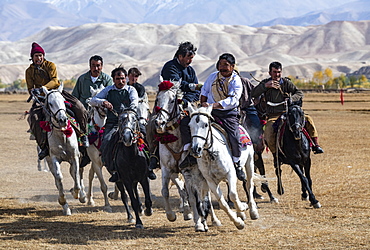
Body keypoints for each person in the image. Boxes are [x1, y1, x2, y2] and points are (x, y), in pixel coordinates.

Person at [90, 66, 156, 182]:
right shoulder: (108, 90)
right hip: (113, 123)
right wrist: (103, 102)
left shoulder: (131, 90)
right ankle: (114, 169)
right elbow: (92, 100)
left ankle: (150, 165)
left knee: (147, 136)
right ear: (113, 79)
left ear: (126, 78)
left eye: (122, 78)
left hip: (130, 122)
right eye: (117, 79)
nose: (120, 81)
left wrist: (129, 113)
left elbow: (134, 102)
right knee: (105, 142)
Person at [26, 42, 89, 160]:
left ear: (43, 56)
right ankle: (44, 146)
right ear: (32, 57)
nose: (38, 58)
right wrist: (34, 92)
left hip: (57, 94)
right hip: (41, 98)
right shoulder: (29, 71)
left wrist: (43, 88)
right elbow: (30, 88)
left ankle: (83, 135)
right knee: (33, 117)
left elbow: (55, 81)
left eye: (40, 55)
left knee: (79, 107)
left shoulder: (50, 65)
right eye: (36, 56)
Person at [147, 41, 203, 171]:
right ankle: (154, 155)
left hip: (185, 104)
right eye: (188, 58)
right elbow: (175, 84)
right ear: (180, 56)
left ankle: (193, 153)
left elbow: (197, 91)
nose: (190, 61)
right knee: (152, 125)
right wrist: (191, 87)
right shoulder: (170, 67)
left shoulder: (190, 70)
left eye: (191, 58)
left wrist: (186, 101)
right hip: (167, 104)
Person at [251, 61, 324, 156]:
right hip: (273, 115)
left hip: (288, 113)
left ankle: (315, 144)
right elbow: (253, 94)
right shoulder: (265, 83)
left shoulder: (286, 83)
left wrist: (291, 99)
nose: (277, 74)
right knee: (268, 132)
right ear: (270, 73)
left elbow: (299, 93)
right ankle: (276, 154)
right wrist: (265, 86)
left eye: (279, 72)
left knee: (308, 119)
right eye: (274, 72)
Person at [200, 53, 246, 181]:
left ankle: (237, 164)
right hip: (210, 111)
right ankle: (191, 157)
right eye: (220, 64)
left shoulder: (236, 81)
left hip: (228, 114)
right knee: (194, 127)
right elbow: (204, 91)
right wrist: (202, 103)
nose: (222, 67)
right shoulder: (212, 77)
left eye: (226, 65)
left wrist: (213, 105)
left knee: (234, 136)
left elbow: (233, 100)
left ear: (232, 66)